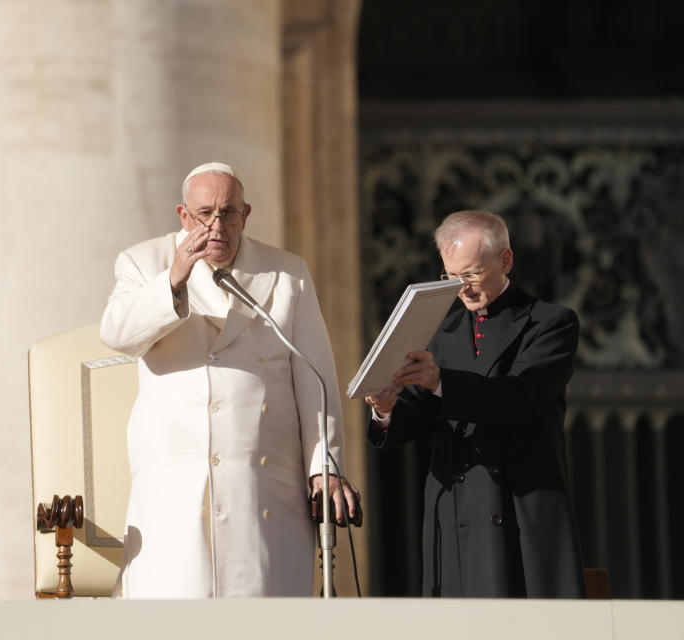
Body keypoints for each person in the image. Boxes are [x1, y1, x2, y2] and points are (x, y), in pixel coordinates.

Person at [100, 162, 357, 598]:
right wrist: (175, 277)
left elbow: (315, 377)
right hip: (177, 484)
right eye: (205, 214)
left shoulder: (286, 272)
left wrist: (324, 467)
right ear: (183, 216)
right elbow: (117, 334)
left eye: (228, 213)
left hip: (263, 486)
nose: (217, 225)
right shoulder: (144, 262)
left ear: (246, 214)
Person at [365, 210, 584, 598]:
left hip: (519, 510)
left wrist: (441, 382)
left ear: (505, 260)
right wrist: (386, 408)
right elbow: (418, 414)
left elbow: (522, 397)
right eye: (450, 276)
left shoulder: (551, 323)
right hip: (457, 514)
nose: (461, 288)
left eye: (470, 274)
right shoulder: (440, 332)